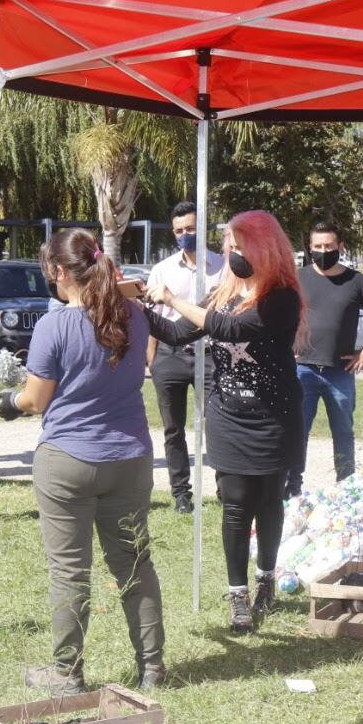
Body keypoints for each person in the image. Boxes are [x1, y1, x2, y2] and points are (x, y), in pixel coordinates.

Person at [0, 228, 165, 693]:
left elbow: (35, 399)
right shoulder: (134, 315)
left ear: (56, 271)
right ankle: (152, 666)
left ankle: (67, 673)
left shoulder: (55, 325)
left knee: (70, 571)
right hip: (130, 457)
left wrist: (9, 401)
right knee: (134, 565)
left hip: (67, 458)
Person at [143, 211, 305, 634]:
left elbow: (231, 330)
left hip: (273, 416)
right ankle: (238, 596)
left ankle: (265, 578)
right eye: (230, 245)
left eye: (239, 245)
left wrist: (172, 298)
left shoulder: (281, 296)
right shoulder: (222, 292)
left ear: (264, 248)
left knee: (270, 500)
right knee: (235, 504)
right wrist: (134, 304)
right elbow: (178, 335)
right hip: (228, 417)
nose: (232, 253)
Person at [285, 221, 363, 498]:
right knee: (297, 432)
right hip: (301, 369)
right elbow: (280, 314)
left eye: (328, 246)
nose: (322, 251)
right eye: (317, 246)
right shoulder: (297, 278)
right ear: (309, 247)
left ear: (340, 246)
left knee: (343, 432)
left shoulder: (357, 281)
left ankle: (347, 488)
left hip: (340, 372)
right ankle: (292, 487)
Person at [145, 200, 224, 514]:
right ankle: (181, 495)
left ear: (202, 228)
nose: (184, 235)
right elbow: (154, 318)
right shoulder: (162, 270)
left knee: (218, 423)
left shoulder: (223, 266)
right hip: (171, 356)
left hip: (212, 355)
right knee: (173, 429)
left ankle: (224, 488)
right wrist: (151, 359)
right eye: (179, 230)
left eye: (190, 229)